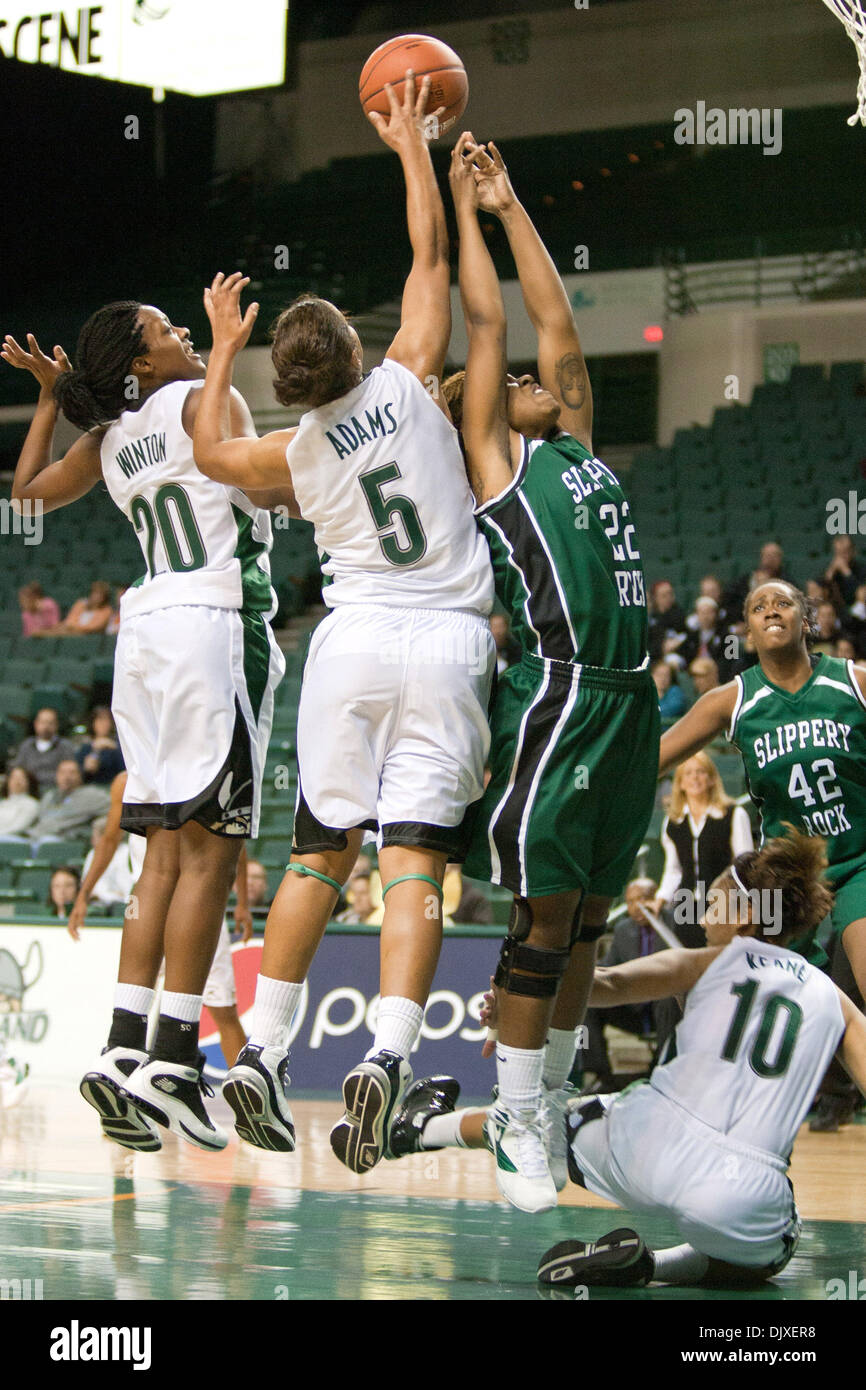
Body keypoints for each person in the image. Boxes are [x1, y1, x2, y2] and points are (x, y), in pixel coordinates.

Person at [190, 74, 495, 1171]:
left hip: (350, 647)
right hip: (450, 640)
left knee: (319, 851)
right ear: (359, 359)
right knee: (412, 860)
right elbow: (427, 261)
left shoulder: (294, 451)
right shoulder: (411, 380)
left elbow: (212, 458)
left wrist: (222, 343)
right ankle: (386, 1053)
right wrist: (410, 144)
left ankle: (262, 1054)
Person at [3, 284, 287, 1154]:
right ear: (141, 362)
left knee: (160, 851)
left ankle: (125, 1043)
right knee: (213, 849)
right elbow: (269, 489)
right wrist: (234, 356)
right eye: (169, 331)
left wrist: (51, 401)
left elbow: (23, 499)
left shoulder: (109, 437)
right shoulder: (212, 399)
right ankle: (174, 1054)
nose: (189, 334)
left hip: (145, 635)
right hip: (212, 622)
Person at [440, 134, 658, 1213]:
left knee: (588, 923)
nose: (533, 379)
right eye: (508, 385)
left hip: (630, 700)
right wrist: (461, 215)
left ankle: (557, 1093)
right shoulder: (498, 455)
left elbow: (557, 322)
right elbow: (493, 327)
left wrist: (512, 199)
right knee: (543, 916)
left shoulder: (573, 444)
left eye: (540, 384)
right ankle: (514, 1105)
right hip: (565, 695)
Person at [391, 832, 866, 1290]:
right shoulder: (832, 997)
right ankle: (653, 1267)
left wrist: (518, 1000)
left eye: (715, 899)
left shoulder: (705, 963)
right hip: (750, 1194)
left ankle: (420, 1128)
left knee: (530, 1122)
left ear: (744, 917)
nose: (703, 911)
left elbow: (604, 984)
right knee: (772, 1250)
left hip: (651, 1147)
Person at [658, 579, 866, 994]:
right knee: (771, 998)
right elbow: (648, 762)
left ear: (806, 621)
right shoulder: (731, 700)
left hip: (859, 859)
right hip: (783, 875)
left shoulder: (854, 682)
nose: (771, 610)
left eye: (783, 603)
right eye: (759, 607)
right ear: (748, 636)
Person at [67, 772, 252, 1068]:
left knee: (151, 1004)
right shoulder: (189, 771)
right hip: (183, 904)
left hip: (151, 903)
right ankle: (132, 1078)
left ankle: (121, 1068)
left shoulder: (158, 772)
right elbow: (109, 840)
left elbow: (232, 843)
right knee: (152, 1006)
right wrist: (83, 894)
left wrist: (241, 902)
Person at [654, 752, 754, 939]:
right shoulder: (672, 822)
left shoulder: (733, 814)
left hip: (724, 905)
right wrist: (661, 898)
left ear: (711, 779)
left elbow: (744, 865)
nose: (695, 778)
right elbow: (674, 869)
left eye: (701, 772)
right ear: (680, 783)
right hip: (686, 905)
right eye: (688, 773)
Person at [580, 877, 665, 1090]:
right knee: (587, 1002)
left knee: (668, 1001)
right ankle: (600, 1074)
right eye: (630, 902)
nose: (635, 907)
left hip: (665, 1008)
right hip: (634, 1009)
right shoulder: (623, 929)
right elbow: (608, 966)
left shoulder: (672, 923)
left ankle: (661, 1069)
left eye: (642, 899)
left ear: (656, 899)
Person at [24, 758, 111, 847]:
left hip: (67, 841)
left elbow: (115, 809)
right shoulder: (49, 796)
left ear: (80, 776)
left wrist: (99, 824)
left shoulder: (92, 795)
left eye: (72, 773)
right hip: (36, 837)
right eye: (62, 773)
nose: (67, 777)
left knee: (46, 842)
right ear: (56, 776)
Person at [12, 707, 77, 795]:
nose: (46, 727)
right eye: (42, 722)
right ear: (36, 724)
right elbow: (18, 768)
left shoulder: (65, 746)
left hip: (55, 792)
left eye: (50, 723)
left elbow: (70, 772)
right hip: (28, 791)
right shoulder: (26, 745)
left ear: (56, 725)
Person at [76, 707, 125, 786]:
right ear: (93, 723)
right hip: (90, 787)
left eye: (106, 720)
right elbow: (78, 772)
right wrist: (85, 768)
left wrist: (114, 747)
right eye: (99, 720)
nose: (103, 724)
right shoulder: (86, 748)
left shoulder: (119, 745)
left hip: (112, 785)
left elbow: (124, 769)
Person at [825, 535, 866, 609]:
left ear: (853, 551)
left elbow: (861, 593)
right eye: (839, 552)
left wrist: (846, 572)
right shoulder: (830, 570)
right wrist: (830, 574)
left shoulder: (862, 569)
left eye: (846, 551)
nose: (843, 556)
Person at [0, 767, 40, 838]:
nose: (17, 781)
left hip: (15, 840)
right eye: (14, 777)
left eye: (21, 778)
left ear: (28, 782)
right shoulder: (3, 803)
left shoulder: (31, 804)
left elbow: (19, 827)